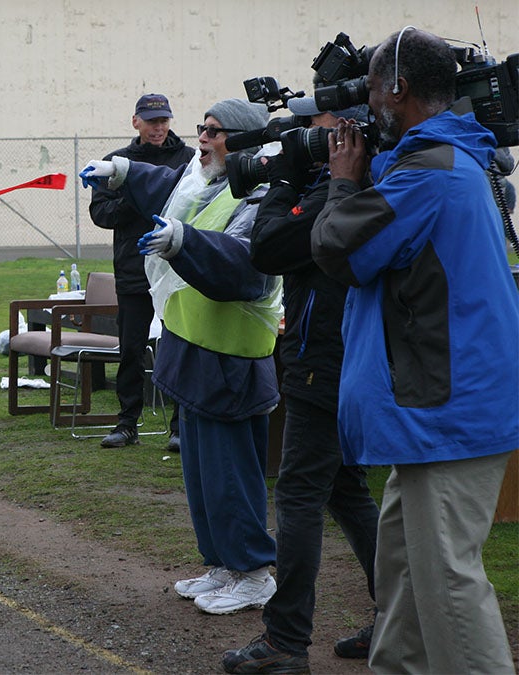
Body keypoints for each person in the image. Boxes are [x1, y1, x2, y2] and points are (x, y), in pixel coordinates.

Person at [311, 28, 519, 674]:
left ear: (397, 88)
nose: (363, 105)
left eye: (370, 88)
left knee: (449, 587)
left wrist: (343, 182)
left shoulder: (429, 174)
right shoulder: (450, 157)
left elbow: (341, 248)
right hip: (439, 413)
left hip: (447, 415)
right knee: (402, 581)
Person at [80, 98, 281, 615]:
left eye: (213, 132)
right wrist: (121, 170)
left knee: (231, 471)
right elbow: (168, 189)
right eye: (202, 129)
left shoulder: (263, 195)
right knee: (201, 472)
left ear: (243, 142)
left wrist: (182, 242)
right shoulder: (205, 178)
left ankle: (253, 571)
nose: (202, 140)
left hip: (230, 356)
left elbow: (245, 266)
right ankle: (222, 562)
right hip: (191, 345)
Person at [220, 102, 381, 673]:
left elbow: (268, 247)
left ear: (348, 132)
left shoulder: (339, 187)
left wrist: (289, 173)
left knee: (298, 495)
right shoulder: (354, 180)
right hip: (343, 354)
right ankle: (396, 615)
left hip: (324, 358)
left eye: (312, 128)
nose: (302, 138)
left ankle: (285, 642)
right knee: (344, 489)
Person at [87, 93, 192, 450]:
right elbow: (101, 214)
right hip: (133, 268)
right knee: (131, 348)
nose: (158, 128)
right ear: (136, 122)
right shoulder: (116, 162)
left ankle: (180, 426)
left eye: (163, 121)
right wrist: (137, 195)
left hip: (177, 268)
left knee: (178, 344)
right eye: (151, 122)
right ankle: (127, 423)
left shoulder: (188, 159)